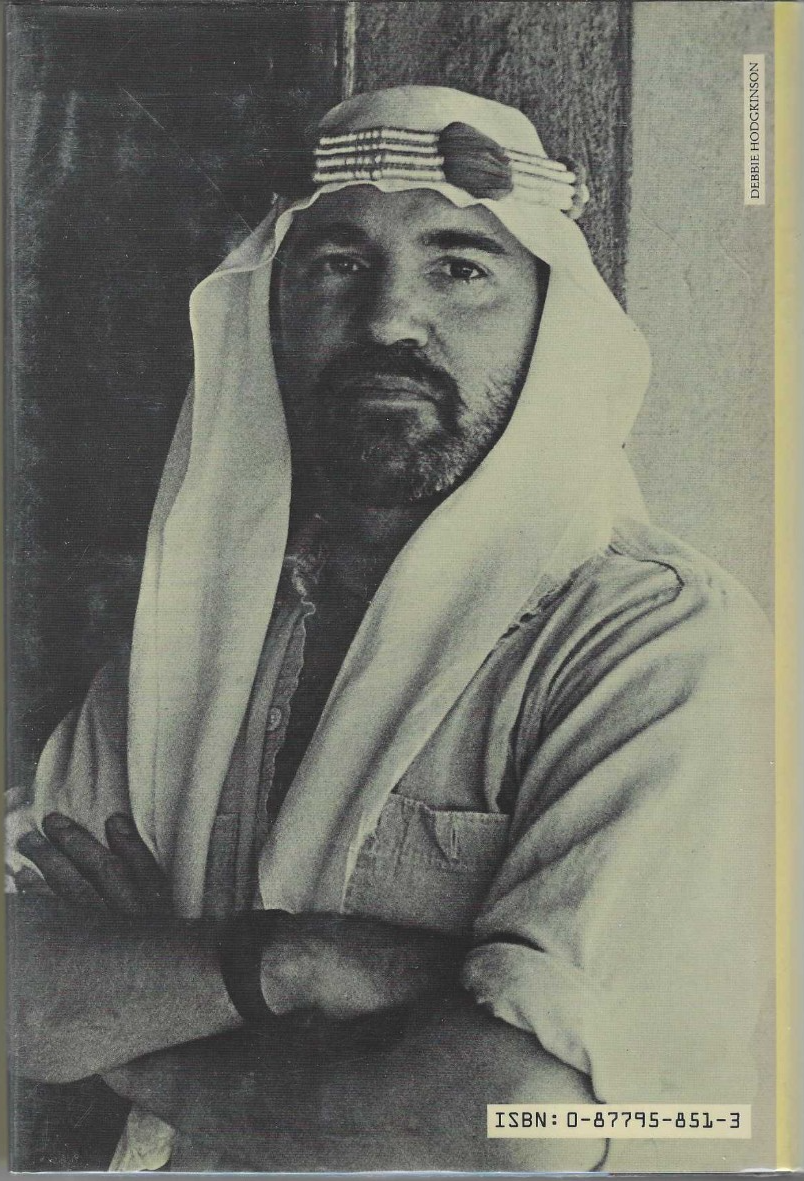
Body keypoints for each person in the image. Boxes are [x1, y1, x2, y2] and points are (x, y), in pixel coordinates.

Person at [5, 86, 774, 1173]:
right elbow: (20, 985)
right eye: (337, 264)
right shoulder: (200, 633)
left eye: (460, 267)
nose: (388, 322)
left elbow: (527, 1124)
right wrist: (301, 958)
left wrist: (152, 1046)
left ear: (550, 320)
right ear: (273, 310)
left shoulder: (655, 641)